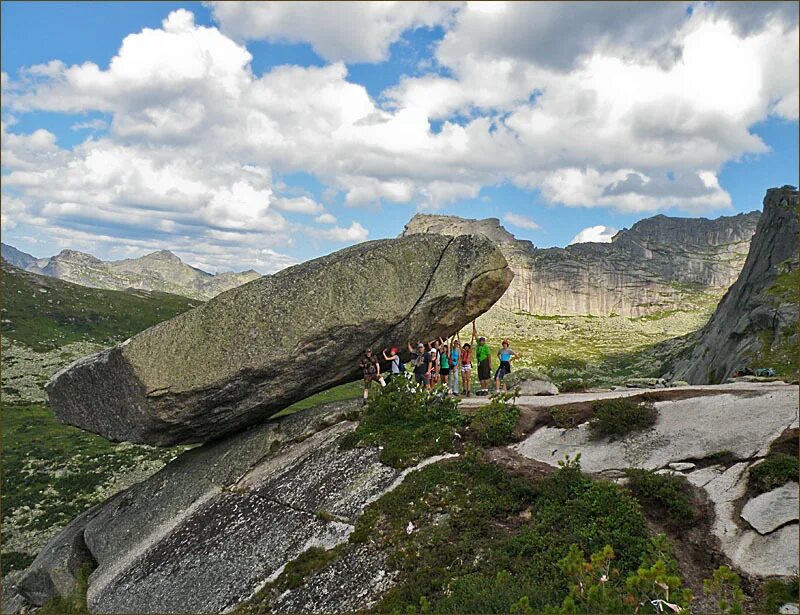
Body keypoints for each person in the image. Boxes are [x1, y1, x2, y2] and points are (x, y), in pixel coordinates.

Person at [474, 323, 492, 395]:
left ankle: (486, 389)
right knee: (480, 376)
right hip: (479, 362)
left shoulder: (486, 347)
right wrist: (474, 325)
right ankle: (482, 389)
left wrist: (489, 364)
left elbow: (489, 355)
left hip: (485, 361)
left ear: (484, 341)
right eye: (480, 341)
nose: (481, 342)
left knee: (485, 376)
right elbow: (475, 335)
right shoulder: (478, 344)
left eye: (482, 341)